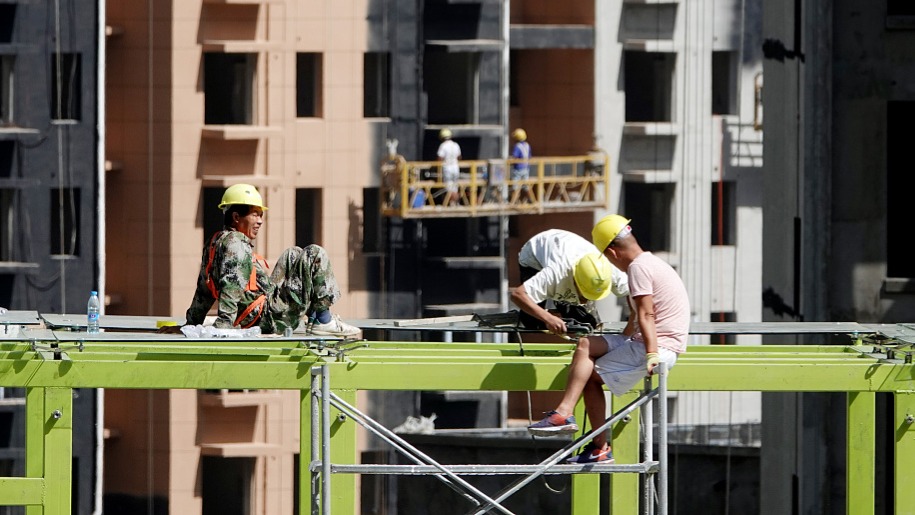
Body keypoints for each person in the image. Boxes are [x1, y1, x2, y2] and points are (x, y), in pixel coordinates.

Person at [527, 215, 690, 464]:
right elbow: (637, 313)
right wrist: (623, 338)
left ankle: (598, 445)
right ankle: (565, 414)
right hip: (645, 341)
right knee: (586, 344)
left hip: (658, 346)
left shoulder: (638, 268)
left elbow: (646, 313)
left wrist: (652, 353)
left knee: (590, 378)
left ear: (612, 252)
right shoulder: (652, 262)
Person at [176, 183, 360, 337]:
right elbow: (231, 285)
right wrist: (224, 325)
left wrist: (190, 324)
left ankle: (313, 316)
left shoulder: (215, 242)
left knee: (293, 254)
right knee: (314, 254)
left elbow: (204, 289)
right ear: (236, 217)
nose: (260, 221)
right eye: (255, 214)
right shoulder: (236, 244)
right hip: (268, 317)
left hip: (264, 308)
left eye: (261, 215)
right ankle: (323, 320)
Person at [510, 229, 629, 335]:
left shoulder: (610, 271)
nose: (586, 300)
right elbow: (518, 295)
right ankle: (552, 312)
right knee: (532, 322)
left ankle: (561, 311)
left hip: (568, 250)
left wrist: (637, 319)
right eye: (583, 294)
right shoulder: (555, 274)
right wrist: (548, 318)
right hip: (535, 257)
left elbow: (635, 293)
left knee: (586, 324)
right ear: (575, 281)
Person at [437, 128, 462, 206]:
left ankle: (452, 203)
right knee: (455, 187)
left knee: (449, 188)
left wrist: (437, 168)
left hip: (447, 169)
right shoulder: (456, 145)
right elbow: (459, 157)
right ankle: (455, 203)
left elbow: (440, 158)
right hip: (456, 168)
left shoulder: (443, 146)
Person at [510, 128, 532, 201]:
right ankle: (531, 199)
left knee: (516, 186)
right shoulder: (527, 145)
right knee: (526, 186)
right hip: (526, 168)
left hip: (518, 169)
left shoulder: (518, 146)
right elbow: (529, 156)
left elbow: (515, 157)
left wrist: (510, 161)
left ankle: (512, 202)